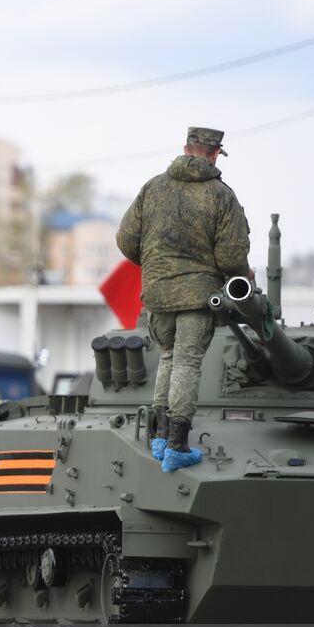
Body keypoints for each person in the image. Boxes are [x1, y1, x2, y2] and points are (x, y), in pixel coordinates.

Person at [117, 126, 251, 472]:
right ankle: (177, 446)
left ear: (185, 148)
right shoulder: (221, 196)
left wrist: (156, 265)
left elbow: (126, 239)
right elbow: (231, 256)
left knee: (167, 357)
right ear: (215, 153)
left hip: (157, 293)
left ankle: (160, 437)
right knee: (187, 364)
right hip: (197, 295)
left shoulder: (153, 187)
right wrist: (245, 275)